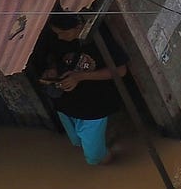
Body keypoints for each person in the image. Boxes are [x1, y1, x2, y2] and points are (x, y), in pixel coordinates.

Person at [41, 13, 128, 166]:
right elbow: (52, 57)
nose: (59, 37)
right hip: (65, 105)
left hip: (93, 108)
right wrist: (53, 70)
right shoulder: (58, 39)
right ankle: (106, 142)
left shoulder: (100, 38)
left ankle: (114, 169)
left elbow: (121, 71)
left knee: (95, 158)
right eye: (57, 34)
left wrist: (80, 77)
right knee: (78, 143)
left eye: (63, 33)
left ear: (78, 27)